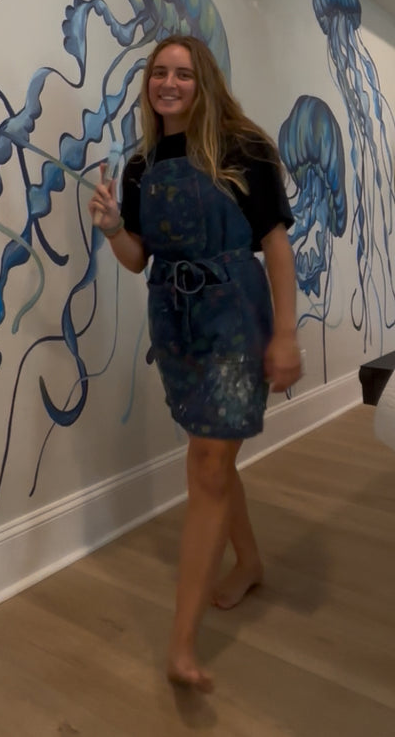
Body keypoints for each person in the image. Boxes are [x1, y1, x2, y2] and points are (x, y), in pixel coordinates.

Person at [88, 34, 301, 692]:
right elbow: (139, 257)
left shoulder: (245, 147)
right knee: (213, 453)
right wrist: (112, 230)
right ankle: (252, 559)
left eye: (182, 72)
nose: (169, 82)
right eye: (159, 71)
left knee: (206, 462)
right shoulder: (140, 163)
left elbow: (277, 246)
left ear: (202, 80)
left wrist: (286, 332)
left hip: (235, 313)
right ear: (149, 82)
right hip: (174, 322)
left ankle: (181, 645)